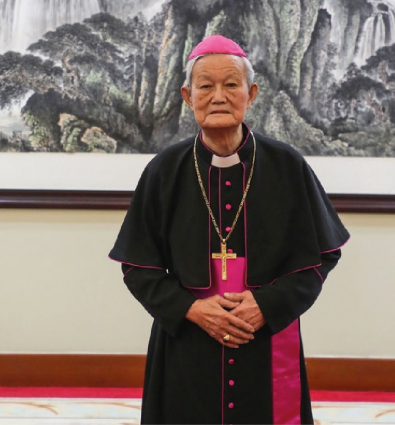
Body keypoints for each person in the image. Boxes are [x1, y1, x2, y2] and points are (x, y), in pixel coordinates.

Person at [109, 34, 350, 425]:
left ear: (250, 94)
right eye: (205, 86)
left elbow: (322, 256)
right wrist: (193, 309)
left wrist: (266, 305)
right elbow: (138, 266)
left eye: (231, 84)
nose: (218, 96)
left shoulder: (287, 166)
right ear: (188, 97)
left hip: (265, 340)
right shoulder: (164, 171)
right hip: (188, 343)